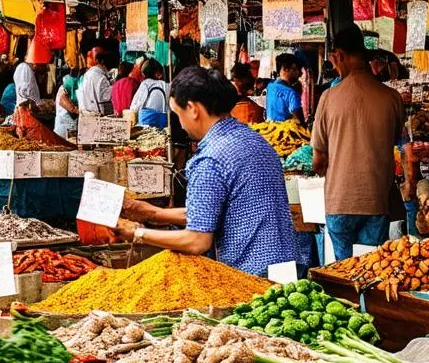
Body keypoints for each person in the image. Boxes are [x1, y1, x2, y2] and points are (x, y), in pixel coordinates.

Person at [114, 66, 297, 275]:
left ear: (192, 109)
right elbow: (215, 210)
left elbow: (197, 240)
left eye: (178, 114)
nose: (181, 124)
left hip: (252, 275)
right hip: (286, 266)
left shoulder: (209, 160)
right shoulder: (254, 140)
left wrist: (136, 233)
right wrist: (154, 213)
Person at [311, 24, 405, 260]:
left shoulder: (328, 98)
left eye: (334, 61)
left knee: (343, 275)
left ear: (339, 55)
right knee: (371, 270)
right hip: (376, 200)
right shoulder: (392, 98)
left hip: (340, 201)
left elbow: (317, 160)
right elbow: (392, 142)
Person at [129, 59, 169, 128]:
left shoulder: (145, 84)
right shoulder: (165, 85)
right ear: (157, 73)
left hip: (147, 122)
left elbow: (135, 106)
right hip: (163, 122)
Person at [265, 53, 304, 124]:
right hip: (285, 132)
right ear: (286, 69)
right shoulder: (291, 93)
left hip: (269, 130)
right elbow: (299, 120)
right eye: (297, 69)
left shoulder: (270, 87)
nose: (300, 73)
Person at [77, 46, 113, 115]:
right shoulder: (100, 77)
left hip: (85, 114)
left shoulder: (86, 76)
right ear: (102, 61)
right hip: (97, 115)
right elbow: (106, 97)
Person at [54, 70, 80, 138]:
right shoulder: (63, 89)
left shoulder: (70, 90)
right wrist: (78, 111)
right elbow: (63, 101)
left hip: (70, 126)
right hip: (64, 128)